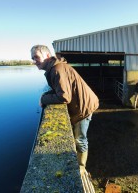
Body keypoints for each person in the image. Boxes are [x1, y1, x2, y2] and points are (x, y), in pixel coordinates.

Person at [31, 45, 99, 174]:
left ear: (46, 55)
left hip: (83, 107)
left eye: (36, 57)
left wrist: (44, 100)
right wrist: (44, 95)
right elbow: (60, 89)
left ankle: (81, 168)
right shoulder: (55, 67)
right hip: (82, 103)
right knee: (77, 138)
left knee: (80, 139)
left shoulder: (57, 69)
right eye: (32, 58)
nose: (34, 61)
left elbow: (64, 97)